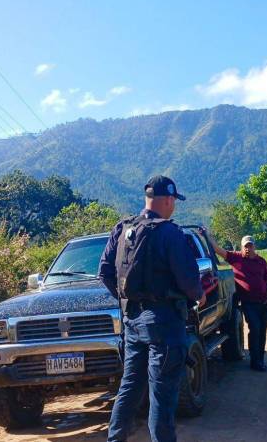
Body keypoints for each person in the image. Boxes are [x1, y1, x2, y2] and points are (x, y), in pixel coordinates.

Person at [98, 175, 205, 442]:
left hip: (132, 320)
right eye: (174, 201)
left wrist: (127, 301)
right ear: (168, 200)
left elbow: (104, 272)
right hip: (165, 322)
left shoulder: (122, 228)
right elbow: (188, 279)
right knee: (162, 393)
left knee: (131, 386)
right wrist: (199, 295)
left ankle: (115, 439)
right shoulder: (170, 232)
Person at [202, 231, 267, 372]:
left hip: (264, 303)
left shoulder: (261, 261)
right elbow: (218, 250)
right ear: (241, 247)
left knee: (262, 332)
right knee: (255, 329)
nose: (248, 248)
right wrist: (207, 235)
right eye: (245, 246)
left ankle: (260, 358)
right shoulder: (236, 258)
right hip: (249, 303)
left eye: (250, 246)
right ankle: (255, 361)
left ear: (254, 247)